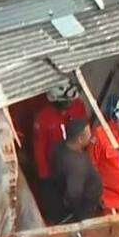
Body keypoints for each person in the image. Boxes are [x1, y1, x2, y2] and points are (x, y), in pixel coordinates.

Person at [33, 82, 87, 215]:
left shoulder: (78, 107)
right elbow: (40, 149)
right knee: (56, 207)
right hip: (55, 170)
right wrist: (45, 176)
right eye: (64, 102)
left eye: (70, 101)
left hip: (76, 165)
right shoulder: (43, 118)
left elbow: (85, 133)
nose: (68, 104)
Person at [47, 119, 102, 225]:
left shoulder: (59, 148)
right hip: (83, 213)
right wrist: (81, 215)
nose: (91, 138)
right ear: (80, 139)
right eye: (88, 135)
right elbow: (74, 194)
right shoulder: (77, 164)